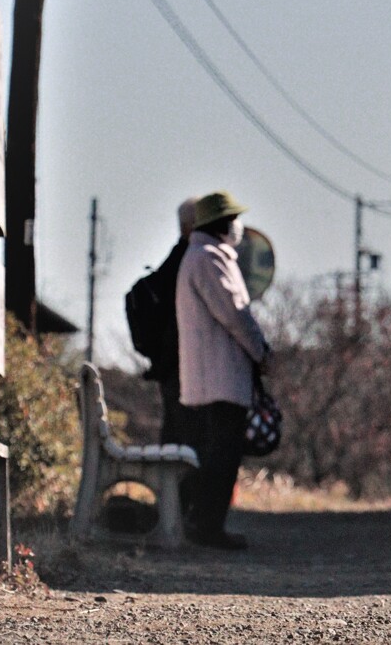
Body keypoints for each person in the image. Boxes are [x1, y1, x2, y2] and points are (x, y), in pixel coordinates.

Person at [176, 190, 270, 550]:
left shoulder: (196, 257)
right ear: (224, 224)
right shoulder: (210, 258)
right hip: (220, 378)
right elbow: (235, 314)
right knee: (223, 456)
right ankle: (209, 527)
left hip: (206, 378)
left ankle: (204, 524)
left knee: (214, 454)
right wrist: (261, 351)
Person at [150, 197, 198, 446]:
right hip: (180, 362)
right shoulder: (190, 261)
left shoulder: (174, 261)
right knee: (183, 431)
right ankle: (175, 484)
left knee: (175, 427)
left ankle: (169, 483)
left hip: (168, 361)